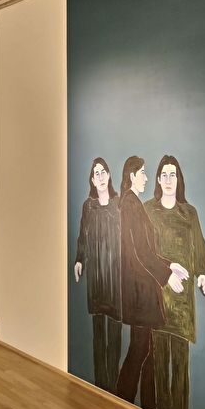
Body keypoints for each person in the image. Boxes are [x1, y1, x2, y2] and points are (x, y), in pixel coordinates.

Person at [116, 156, 188, 409]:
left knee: (144, 349)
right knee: (139, 350)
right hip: (139, 293)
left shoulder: (133, 203)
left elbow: (147, 251)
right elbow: (141, 252)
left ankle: (145, 408)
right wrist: (167, 276)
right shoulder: (130, 204)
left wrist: (171, 265)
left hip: (142, 291)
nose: (147, 178)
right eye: (143, 173)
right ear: (132, 176)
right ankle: (121, 401)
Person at [144, 155, 205, 409]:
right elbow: (144, 253)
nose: (169, 180)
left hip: (182, 301)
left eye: (173, 174)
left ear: (178, 180)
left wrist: (203, 273)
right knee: (159, 361)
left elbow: (200, 247)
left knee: (181, 364)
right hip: (157, 297)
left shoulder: (188, 213)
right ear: (158, 180)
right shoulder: (148, 211)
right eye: (165, 175)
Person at [74, 158, 122, 393]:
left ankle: (113, 387)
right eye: (97, 174)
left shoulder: (119, 205)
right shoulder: (88, 206)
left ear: (109, 176)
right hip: (96, 279)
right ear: (92, 180)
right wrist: (79, 259)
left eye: (104, 172)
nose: (101, 177)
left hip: (116, 279)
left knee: (115, 335)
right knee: (98, 334)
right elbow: (82, 237)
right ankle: (101, 386)